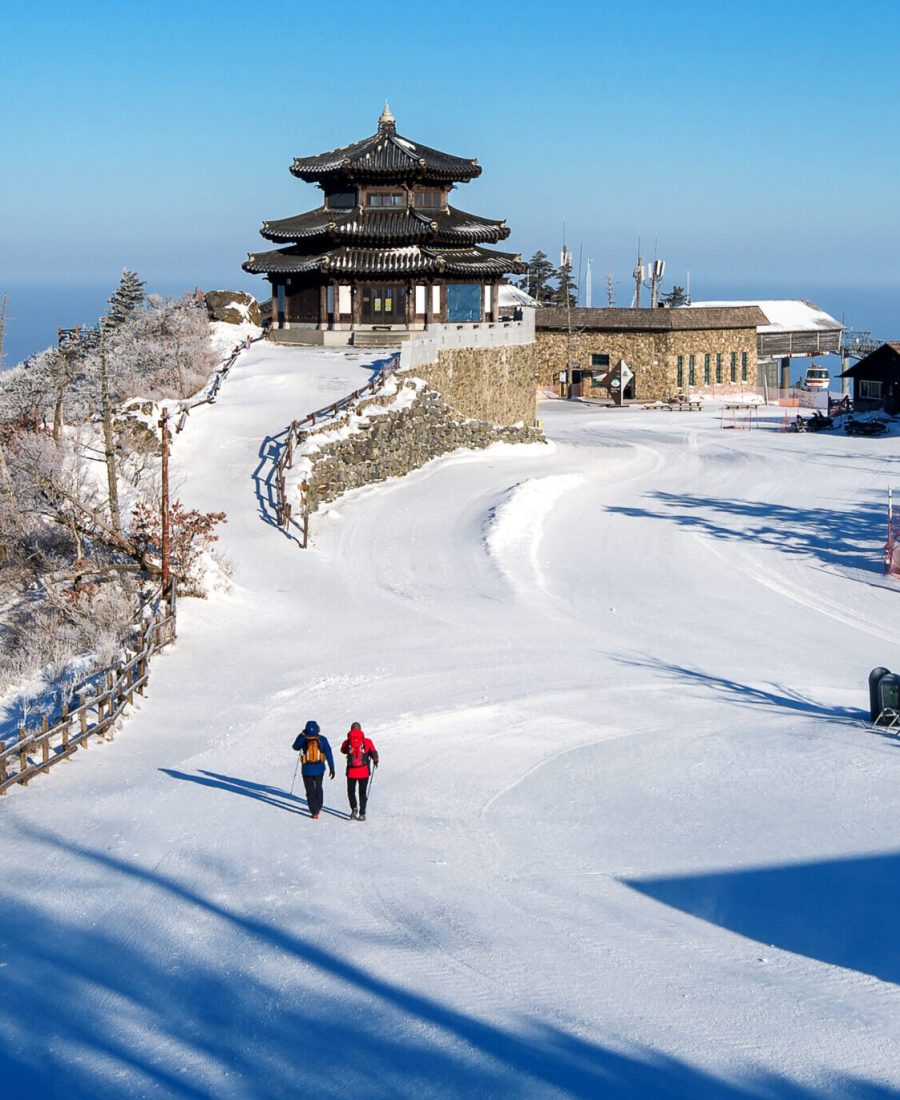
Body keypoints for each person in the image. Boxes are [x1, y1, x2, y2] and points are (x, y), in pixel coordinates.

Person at [291, 720, 334, 820]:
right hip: (319, 769)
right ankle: (318, 806)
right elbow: (328, 753)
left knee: (310, 790)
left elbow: (295, 747)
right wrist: (332, 767)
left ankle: (314, 811)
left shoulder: (303, 739)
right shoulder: (322, 739)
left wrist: (301, 735)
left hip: (307, 770)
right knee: (318, 787)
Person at [340, 721, 379, 821]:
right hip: (364, 771)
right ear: (360, 729)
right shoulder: (367, 741)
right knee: (362, 792)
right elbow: (373, 752)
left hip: (351, 771)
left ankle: (354, 808)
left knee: (351, 791)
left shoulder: (347, 741)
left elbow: (343, 750)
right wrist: (375, 761)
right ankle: (362, 813)